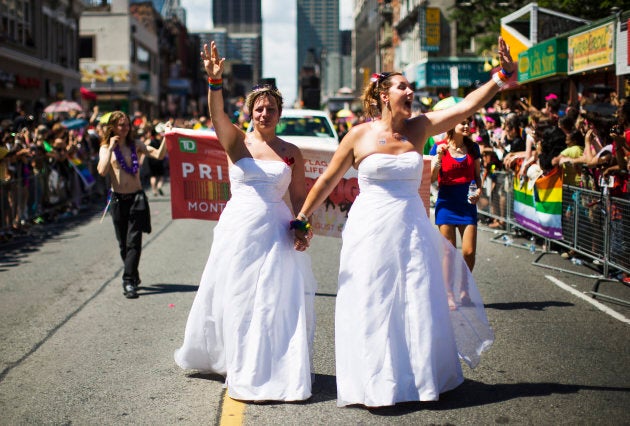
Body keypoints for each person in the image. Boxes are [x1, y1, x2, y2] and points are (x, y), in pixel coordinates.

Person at [294, 36, 513, 408]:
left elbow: (466, 107)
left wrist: (499, 77)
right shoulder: (358, 136)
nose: (410, 91)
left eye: (410, 86)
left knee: (416, 299)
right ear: (383, 95)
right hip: (369, 231)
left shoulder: (421, 127)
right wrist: (302, 218)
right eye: (402, 86)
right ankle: (375, 381)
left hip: (412, 228)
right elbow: (328, 180)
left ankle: (419, 378)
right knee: (375, 300)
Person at [174, 41, 317, 402]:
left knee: (271, 299)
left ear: (279, 113)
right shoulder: (237, 143)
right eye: (259, 108)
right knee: (237, 295)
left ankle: (267, 362)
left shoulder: (291, 153)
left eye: (270, 109)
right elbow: (217, 116)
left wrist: (303, 225)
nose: (264, 113)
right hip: (239, 229)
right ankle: (235, 357)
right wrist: (214, 81)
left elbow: (299, 198)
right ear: (250, 112)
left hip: (277, 232)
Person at [97, 111, 166, 299]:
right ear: (112, 127)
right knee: (123, 244)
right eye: (120, 125)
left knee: (133, 242)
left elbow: (159, 155)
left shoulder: (136, 145)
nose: (125, 128)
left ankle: (127, 281)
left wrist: (166, 137)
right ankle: (133, 275)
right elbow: (102, 171)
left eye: (127, 124)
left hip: (136, 199)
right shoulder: (105, 147)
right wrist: (111, 148)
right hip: (119, 200)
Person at [429, 118, 482, 309]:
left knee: (468, 252)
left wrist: (479, 191)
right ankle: (449, 293)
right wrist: (439, 160)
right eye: (463, 122)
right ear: (452, 125)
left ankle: (464, 288)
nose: (467, 126)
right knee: (449, 252)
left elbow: (477, 176)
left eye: (469, 122)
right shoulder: (438, 147)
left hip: (467, 203)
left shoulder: (473, 148)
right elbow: (432, 178)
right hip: (446, 202)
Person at [143, 126, 166, 196]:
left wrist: (141, 159)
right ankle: (159, 186)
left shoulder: (148, 141)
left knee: (152, 176)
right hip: (158, 160)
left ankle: (154, 190)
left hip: (150, 160)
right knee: (161, 176)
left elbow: (142, 150)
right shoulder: (159, 140)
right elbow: (162, 150)